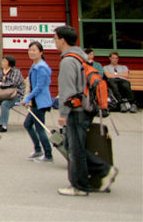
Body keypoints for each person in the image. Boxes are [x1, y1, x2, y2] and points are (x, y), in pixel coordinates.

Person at [53, 26, 117, 196]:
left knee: (75, 149)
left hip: (76, 109)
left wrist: (63, 114)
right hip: (88, 107)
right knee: (70, 145)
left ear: (63, 40)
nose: (55, 42)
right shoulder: (82, 57)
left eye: (55, 38)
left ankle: (82, 185)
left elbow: (67, 90)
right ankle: (98, 172)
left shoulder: (67, 61)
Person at [22, 41, 54, 163]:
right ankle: (38, 149)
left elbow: (39, 87)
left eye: (34, 50)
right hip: (36, 101)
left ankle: (48, 154)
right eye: (30, 50)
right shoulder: (35, 65)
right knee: (28, 124)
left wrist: (28, 98)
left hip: (41, 102)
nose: (31, 52)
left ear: (41, 52)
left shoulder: (42, 67)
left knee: (40, 128)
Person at [0, 55, 25, 132]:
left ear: (9, 63)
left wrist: (1, 84)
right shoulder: (3, 71)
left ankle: (4, 125)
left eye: (4, 61)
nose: (2, 63)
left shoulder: (16, 72)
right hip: (5, 94)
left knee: (5, 104)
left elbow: (14, 83)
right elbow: (1, 80)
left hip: (15, 95)